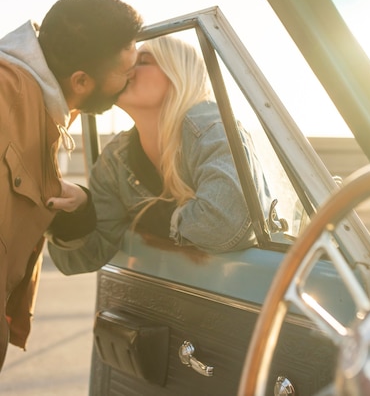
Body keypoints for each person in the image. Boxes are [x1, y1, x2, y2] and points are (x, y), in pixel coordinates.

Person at [0, 0, 143, 370]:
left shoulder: (41, 107)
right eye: (126, 72)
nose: (132, 79)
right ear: (81, 80)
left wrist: (79, 205)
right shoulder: (7, 97)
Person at [48, 35, 270, 275]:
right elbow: (78, 260)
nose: (127, 70)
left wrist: (148, 220)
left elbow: (224, 225)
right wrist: (80, 212)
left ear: (178, 73)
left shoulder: (212, 128)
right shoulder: (116, 158)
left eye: (142, 60)